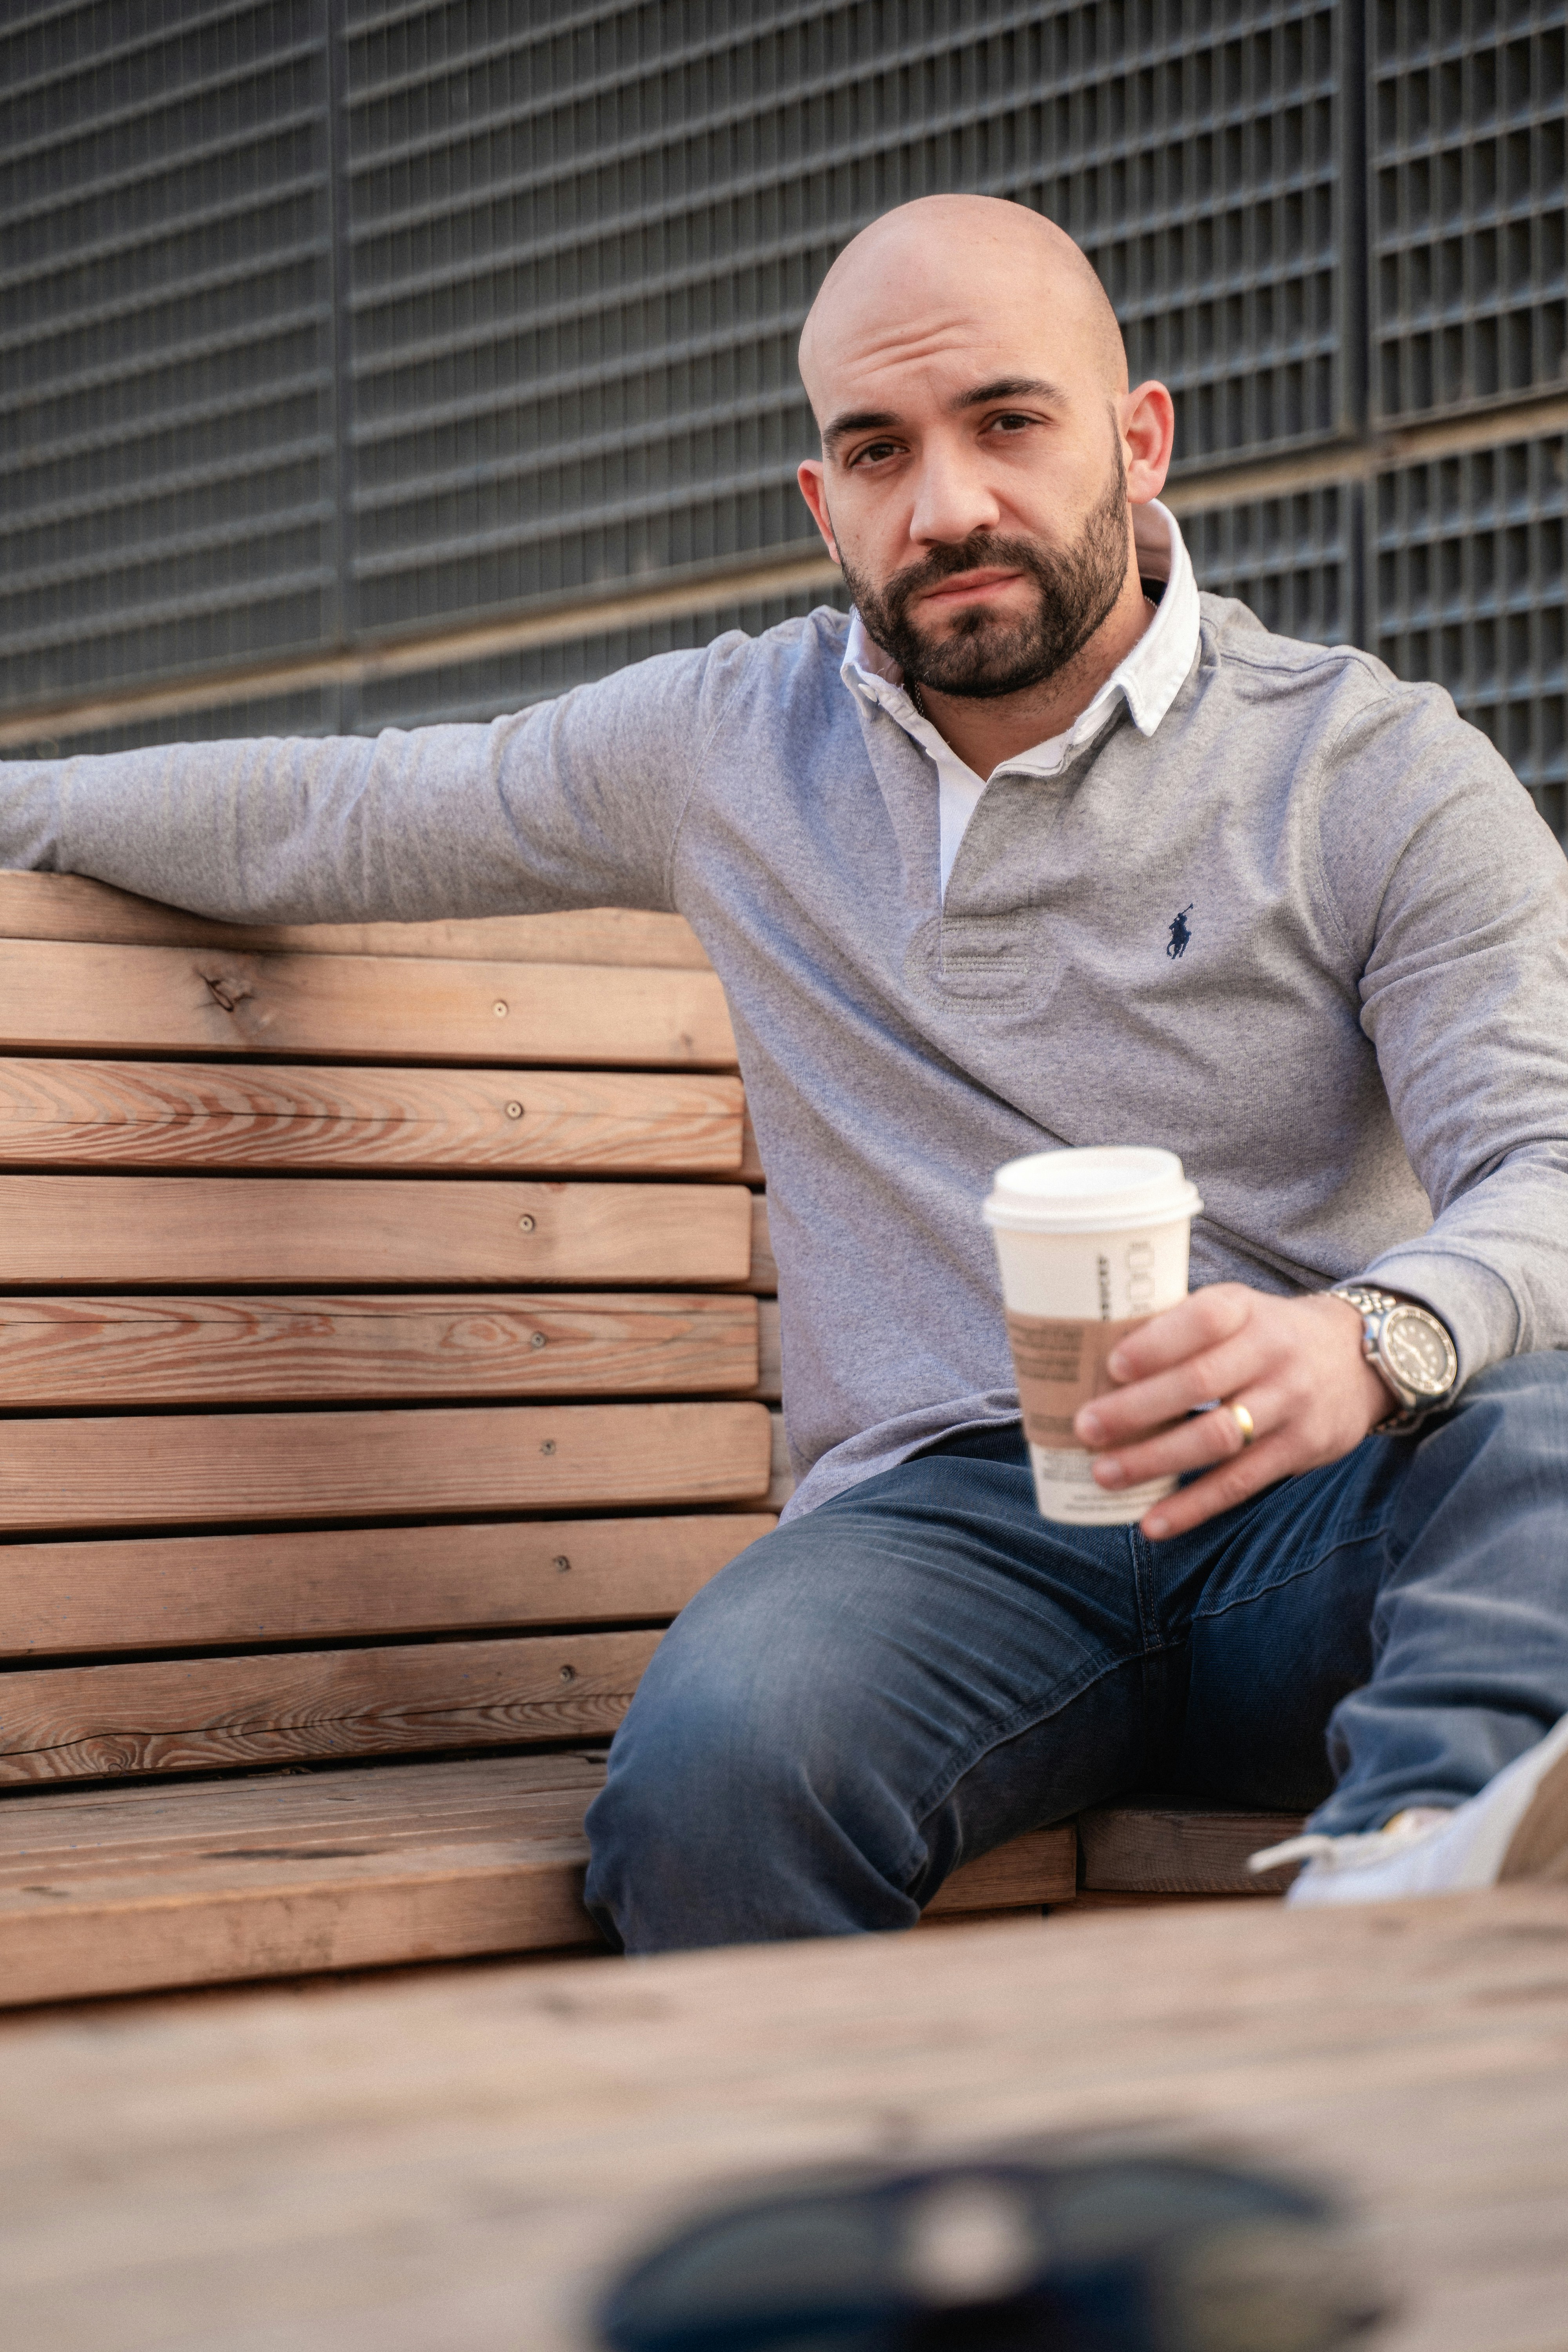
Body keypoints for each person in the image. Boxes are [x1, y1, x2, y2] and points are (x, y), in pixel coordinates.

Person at [4, 196, 1566, 1945]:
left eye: (1008, 423)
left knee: (1548, 1436)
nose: (948, 504)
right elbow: (342, 811)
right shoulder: (729, 748)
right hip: (946, 1536)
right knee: (717, 1779)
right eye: (878, 453)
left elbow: (1546, 1171)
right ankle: (850, 2207)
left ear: (1139, 445)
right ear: (825, 507)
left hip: (1323, 1503)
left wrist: (1366, 1339)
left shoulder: (1373, 770)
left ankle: (1405, 1888)